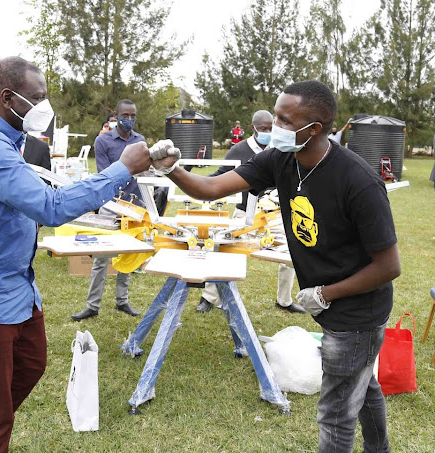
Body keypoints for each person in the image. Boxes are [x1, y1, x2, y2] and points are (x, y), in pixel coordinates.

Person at [0, 56, 165, 453]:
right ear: (8, 97)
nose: (45, 106)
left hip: (15, 288)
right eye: (38, 97)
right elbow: (50, 207)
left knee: (30, 364)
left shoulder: (10, 139)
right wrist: (121, 170)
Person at [159, 80, 400, 452]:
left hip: (358, 313)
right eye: (275, 115)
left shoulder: (358, 181)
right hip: (333, 305)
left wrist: (325, 293)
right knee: (362, 384)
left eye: (285, 120)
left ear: (314, 129)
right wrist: (173, 169)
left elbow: (389, 266)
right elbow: (211, 188)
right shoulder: (280, 159)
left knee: (335, 414)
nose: (274, 126)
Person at [197, 110, 304, 314]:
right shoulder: (238, 150)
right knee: (224, 251)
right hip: (244, 212)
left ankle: (284, 299)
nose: (268, 132)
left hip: (276, 214)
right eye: (263, 129)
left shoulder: (282, 148)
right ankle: (209, 297)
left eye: (271, 128)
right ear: (253, 128)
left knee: (290, 253)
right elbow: (220, 175)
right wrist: (200, 184)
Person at [71, 99, 143, 321]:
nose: (129, 119)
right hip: (110, 203)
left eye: (133, 116)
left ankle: (123, 301)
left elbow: (143, 170)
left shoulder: (140, 141)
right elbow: (105, 174)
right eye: (125, 115)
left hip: (134, 206)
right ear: (116, 114)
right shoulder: (103, 141)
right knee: (101, 258)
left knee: (128, 254)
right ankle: (92, 305)